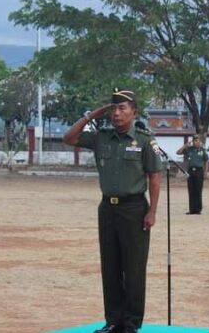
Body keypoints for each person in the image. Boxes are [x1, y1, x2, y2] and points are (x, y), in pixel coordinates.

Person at [62, 87, 163, 333]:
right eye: (113, 109)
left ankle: (131, 323)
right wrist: (91, 116)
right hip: (108, 208)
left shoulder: (144, 140)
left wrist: (152, 212)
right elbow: (69, 138)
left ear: (134, 112)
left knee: (134, 268)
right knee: (110, 266)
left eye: (122, 108)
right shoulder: (102, 137)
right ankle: (113, 321)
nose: (117, 114)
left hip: (135, 208)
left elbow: (155, 177)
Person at [176, 134, 209, 215]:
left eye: (197, 141)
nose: (196, 142)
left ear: (200, 142)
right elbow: (178, 152)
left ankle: (198, 209)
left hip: (199, 171)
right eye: (194, 141)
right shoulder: (189, 149)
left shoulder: (202, 150)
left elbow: (206, 161)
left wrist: (205, 172)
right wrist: (185, 145)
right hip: (190, 171)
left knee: (198, 190)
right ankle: (192, 209)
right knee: (191, 190)